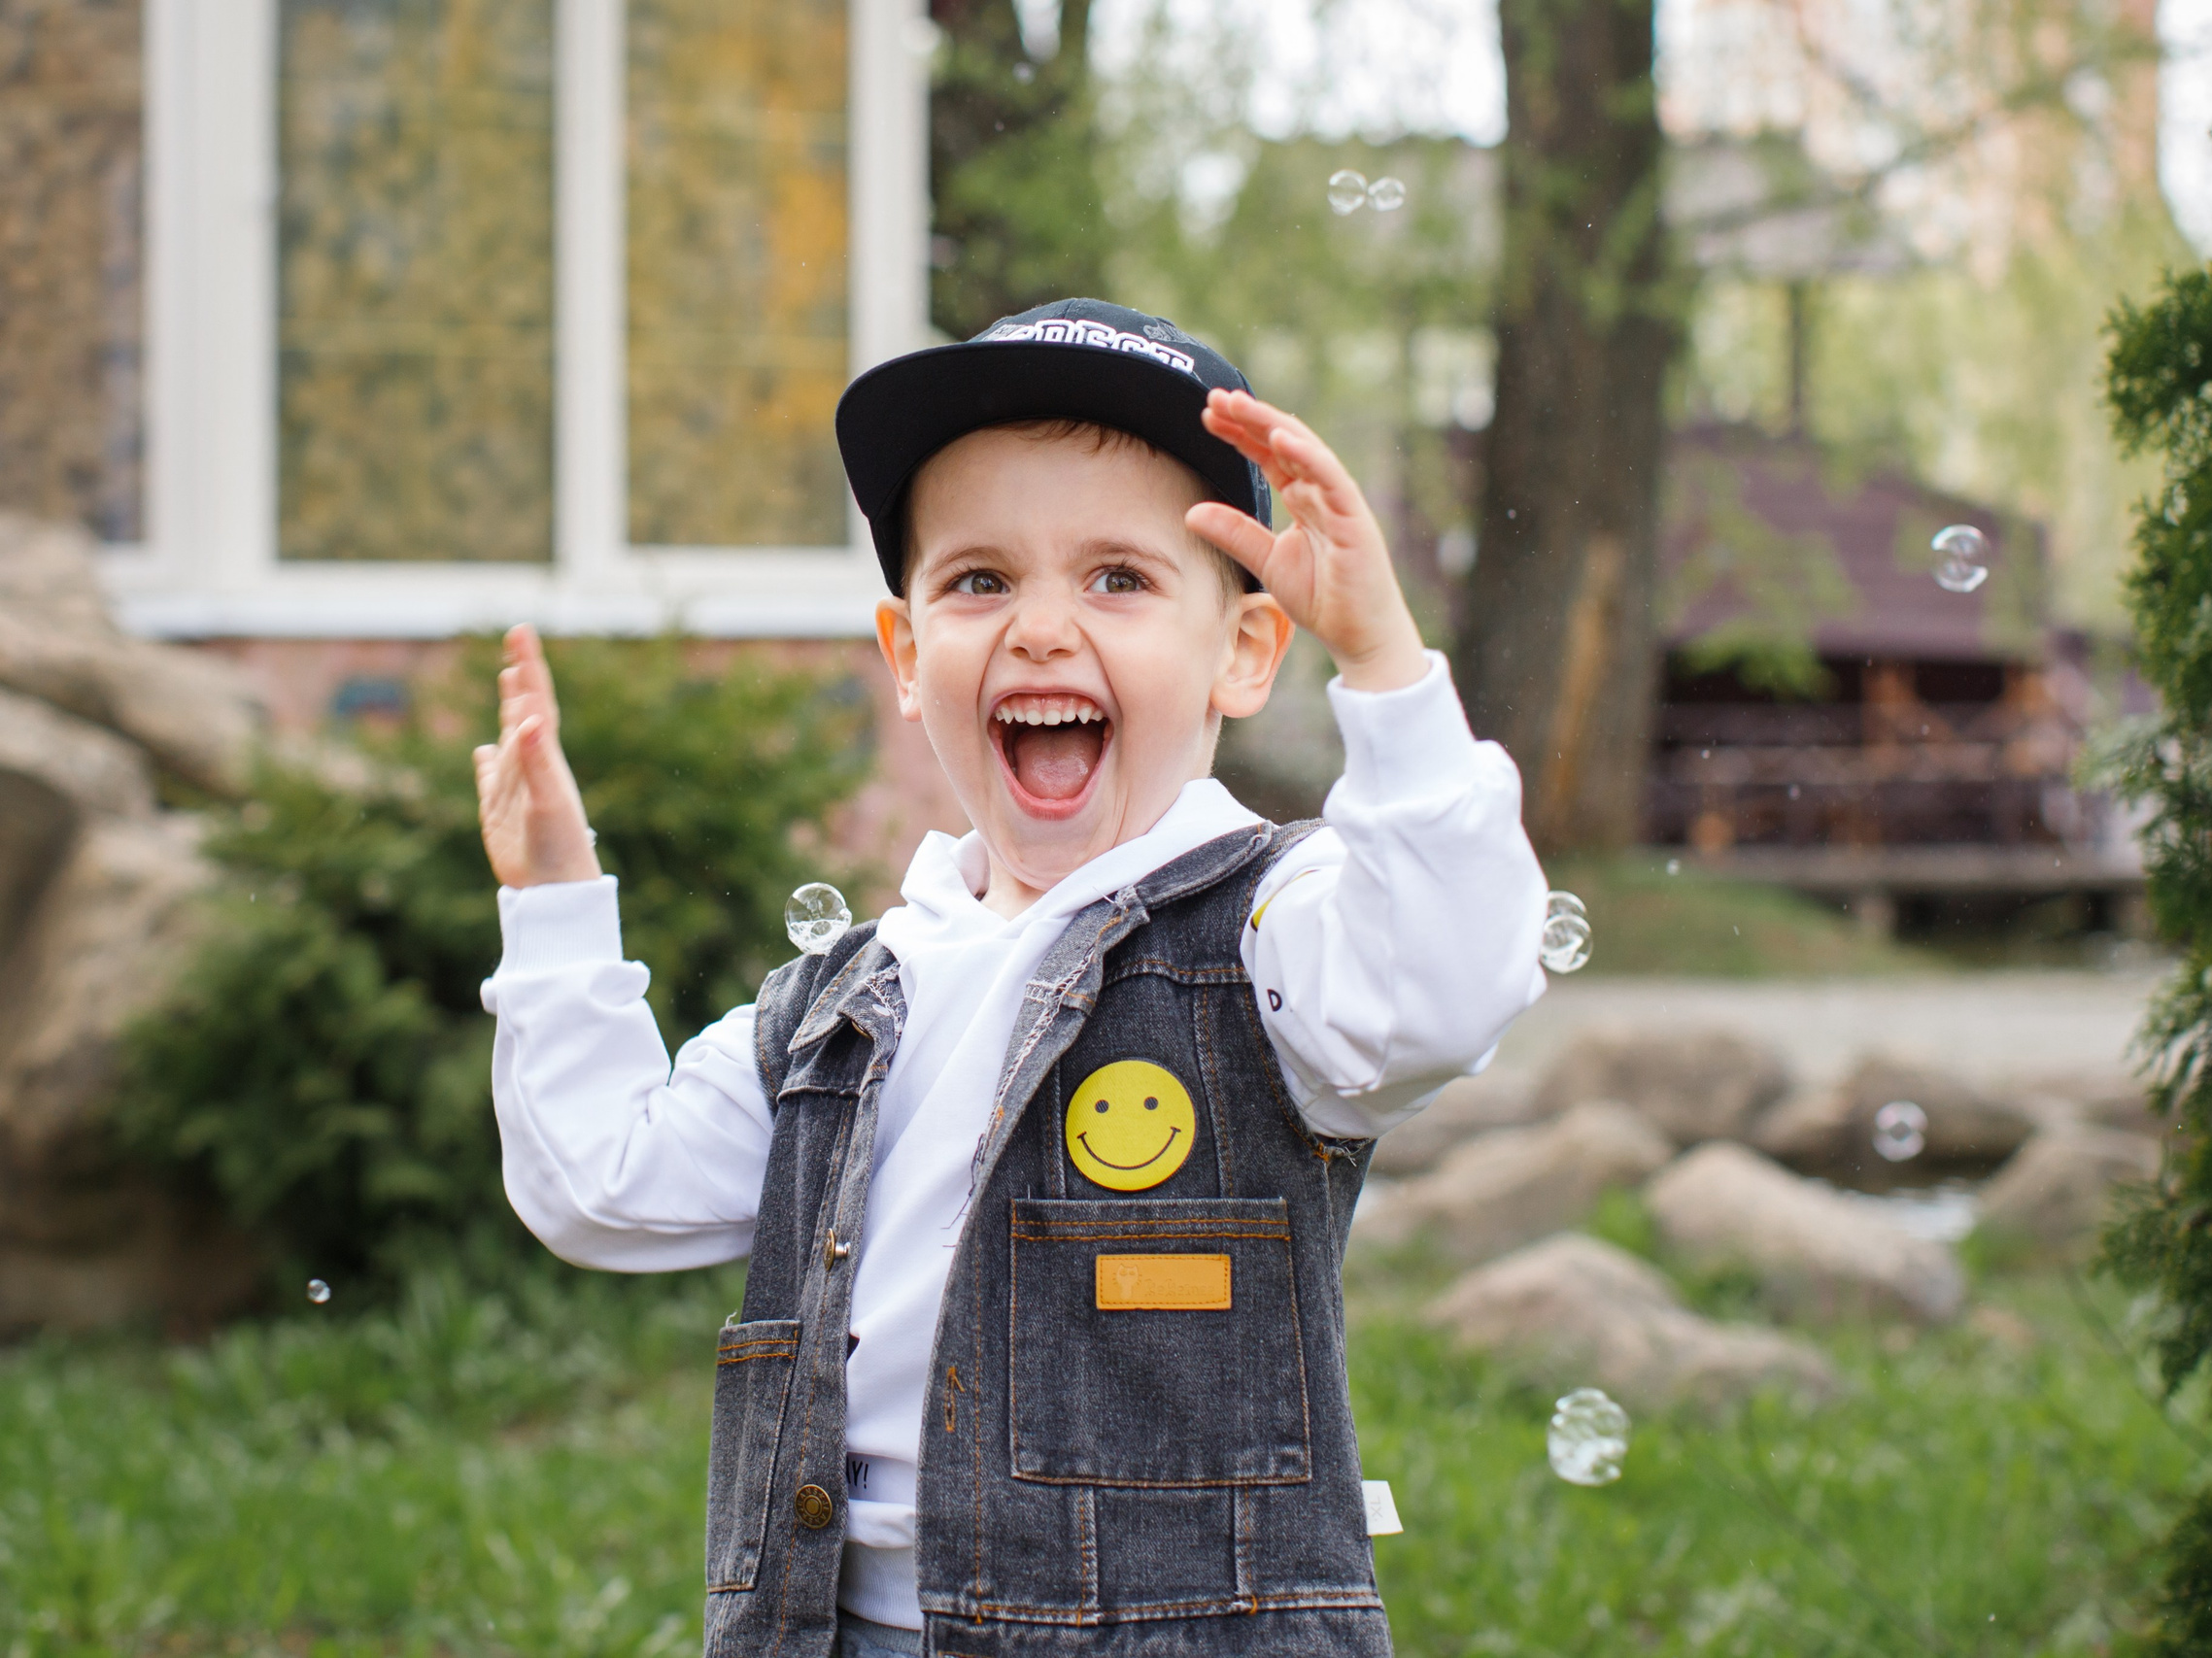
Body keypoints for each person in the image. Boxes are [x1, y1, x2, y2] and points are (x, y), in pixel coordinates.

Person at [473, 298, 1547, 1658]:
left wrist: (1388, 667)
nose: (1041, 628)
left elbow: (1441, 988)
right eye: (980, 580)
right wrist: (557, 899)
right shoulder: (845, 1002)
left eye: (1118, 579)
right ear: (910, 658)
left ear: (1246, 651)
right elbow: (599, 1186)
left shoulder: (1275, 934)